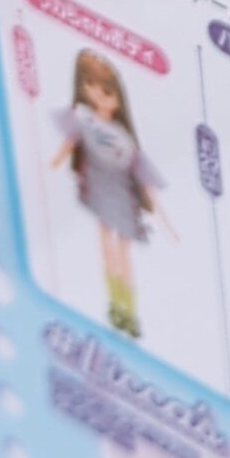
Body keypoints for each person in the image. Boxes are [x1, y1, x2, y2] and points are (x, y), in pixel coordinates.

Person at [49, 49, 173, 337]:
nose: (97, 94)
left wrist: (164, 220)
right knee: (107, 245)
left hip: (122, 197)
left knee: (122, 250)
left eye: (106, 90)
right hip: (99, 190)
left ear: (118, 98)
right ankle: (116, 306)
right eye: (89, 85)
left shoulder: (123, 138)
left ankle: (128, 310)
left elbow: (143, 176)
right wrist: (51, 166)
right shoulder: (85, 119)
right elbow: (68, 145)